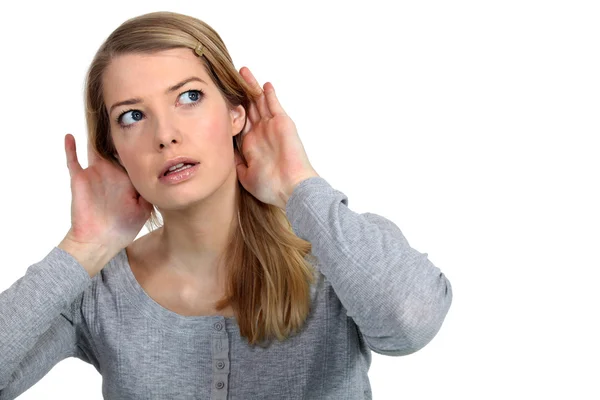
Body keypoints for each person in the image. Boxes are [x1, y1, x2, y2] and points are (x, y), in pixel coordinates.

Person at [0, 10, 453, 400]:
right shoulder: (96, 293)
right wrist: (83, 248)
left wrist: (298, 185)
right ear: (114, 151)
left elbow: (411, 324)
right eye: (132, 116)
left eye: (189, 97)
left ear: (235, 112)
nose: (165, 134)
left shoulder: (336, 249)